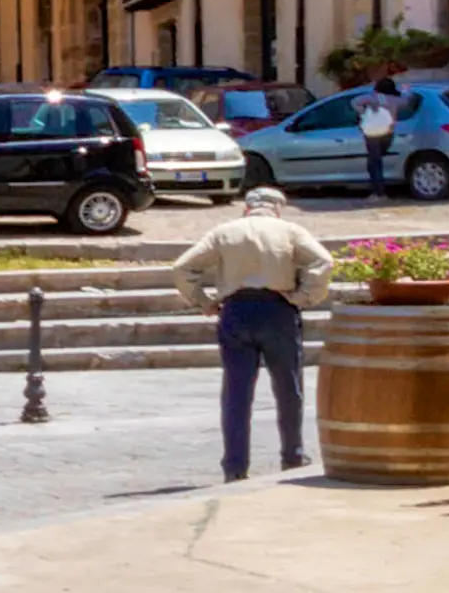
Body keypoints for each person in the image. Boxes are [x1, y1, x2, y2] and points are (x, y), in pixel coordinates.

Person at [170, 189, 336, 479]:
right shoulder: (291, 231)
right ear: (278, 209)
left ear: (246, 209)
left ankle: (235, 466)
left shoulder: (224, 232)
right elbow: (323, 262)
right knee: (288, 388)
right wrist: (303, 296)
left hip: (236, 311)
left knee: (236, 392)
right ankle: (293, 455)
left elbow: (183, 267)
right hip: (278, 309)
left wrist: (204, 301)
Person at [354, 75, 404, 197]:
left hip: (372, 133)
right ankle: (380, 189)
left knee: (374, 162)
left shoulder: (372, 97)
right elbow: (407, 100)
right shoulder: (396, 99)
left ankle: (378, 192)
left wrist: (363, 114)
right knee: (377, 160)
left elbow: (354, 102)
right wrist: (405, 91)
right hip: (388, 133)